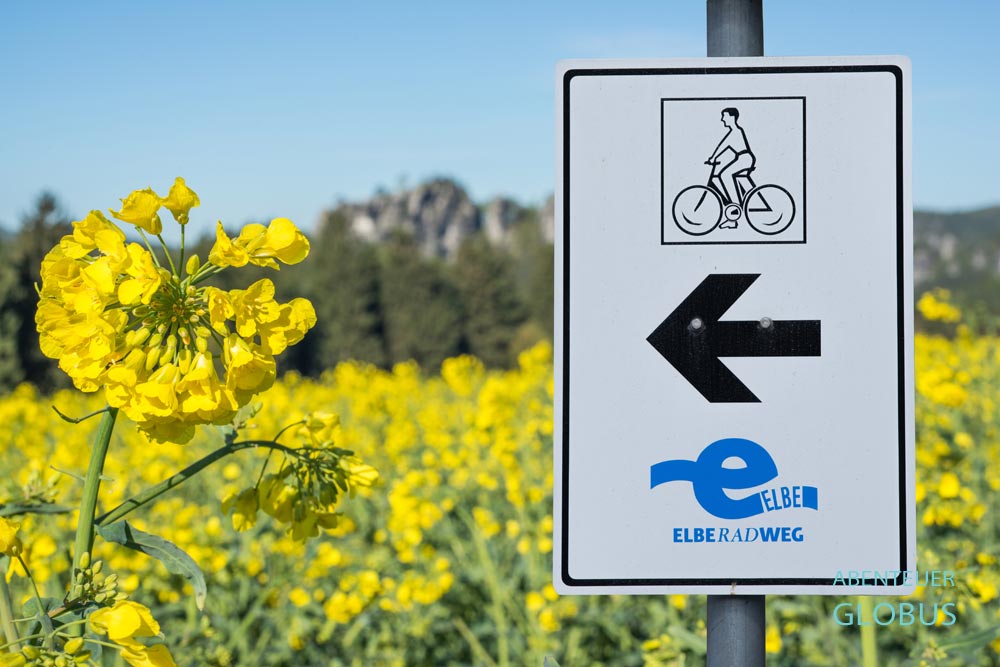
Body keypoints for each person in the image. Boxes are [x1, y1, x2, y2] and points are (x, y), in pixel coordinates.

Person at [706, 107, 755, 228]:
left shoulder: (736, 131)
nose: (722, 119)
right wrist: (714, 158)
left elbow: (723, 146)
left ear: (732, 117)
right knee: (733, 179)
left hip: (745, 158)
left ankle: (736, 205)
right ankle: (732, 220)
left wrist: (713, 158)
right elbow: (724, 146)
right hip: (742, 159)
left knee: (724, 175)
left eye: (724, 116)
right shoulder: (734, 131)